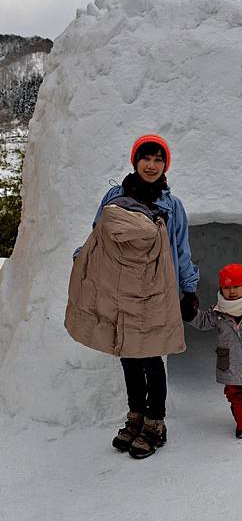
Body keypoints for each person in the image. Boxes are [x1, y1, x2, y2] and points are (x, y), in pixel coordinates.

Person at [66, 134, 199, 459]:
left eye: (158, 160)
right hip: (118, 289)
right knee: (128, 355)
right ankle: (135, 416)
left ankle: (155, 423)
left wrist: (189, 289)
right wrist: (83, 258)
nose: (151, 165)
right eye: (146, 158)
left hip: (154, 290)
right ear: (135, 161)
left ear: (165, 165)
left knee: (151, 357)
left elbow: (180, 249)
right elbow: (98, 234)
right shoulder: (114, 196)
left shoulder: (172, 206)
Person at [181, 263, 242, 439]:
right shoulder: (218, 311)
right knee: (235, 399)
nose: (232, 291)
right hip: (229, 365)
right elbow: (204, 322)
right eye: (227, 287)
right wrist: (191, 314)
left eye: (236, 286)